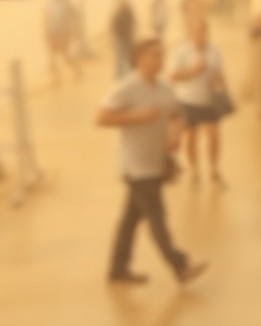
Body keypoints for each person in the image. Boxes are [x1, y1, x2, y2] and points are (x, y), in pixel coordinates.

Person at [97, 38, 207, 287]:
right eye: (154, 55)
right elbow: (101, 118)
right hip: (135, 167)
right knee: (157, 218)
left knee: (130, 219)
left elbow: (178, 115)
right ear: (140, 59)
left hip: (155, 163)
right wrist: (138, 117)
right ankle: (180, 266)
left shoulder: (164, 87)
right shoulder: (126, 87)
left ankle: (117, 269)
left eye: (161, 54)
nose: (160, 59)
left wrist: (176, 135)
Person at [171, 18, 228, 189]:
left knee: (213, 136)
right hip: (188, 100)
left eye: (202, 32)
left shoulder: (214, 50)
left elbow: (220, 73)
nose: (199, 35)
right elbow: (173, 76)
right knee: (191, 138)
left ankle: (214, 169)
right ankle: (194, 170)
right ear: (191, 33)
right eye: (196, 32)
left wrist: (221, 85)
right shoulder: (183, 51)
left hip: (209, 100)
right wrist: (192, 71)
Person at [44, 0, 79, 85]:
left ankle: (77, 69)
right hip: (52, 34)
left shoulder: (67, 3)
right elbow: (46, 19)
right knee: (52, 57)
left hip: (63, 33)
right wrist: (46, 33)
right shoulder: (49, 4)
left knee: (65, 56)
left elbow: (75, 16)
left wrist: (74, 30)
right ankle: (56, 78)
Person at [111, 0, 136, 79]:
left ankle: (122, 75)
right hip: (122, 38)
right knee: (121, 58)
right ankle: (120, 75)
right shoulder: (122, 12)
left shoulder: (126, 12)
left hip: (124, 38)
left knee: (123, 58)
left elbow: (120, 25)